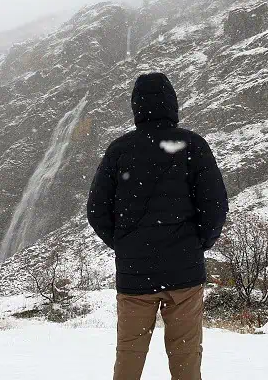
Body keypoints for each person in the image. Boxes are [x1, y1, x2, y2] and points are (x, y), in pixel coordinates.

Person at [87, 72, 229, 380]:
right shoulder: (192, 145)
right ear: (172, 104)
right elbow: (216, 206)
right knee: (186, 357)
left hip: (135, 276)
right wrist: (196, 245)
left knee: (129, 355)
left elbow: (97, 211)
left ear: (136, 107)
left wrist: (125, 245)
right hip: (184, 275)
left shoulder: (119, 150)